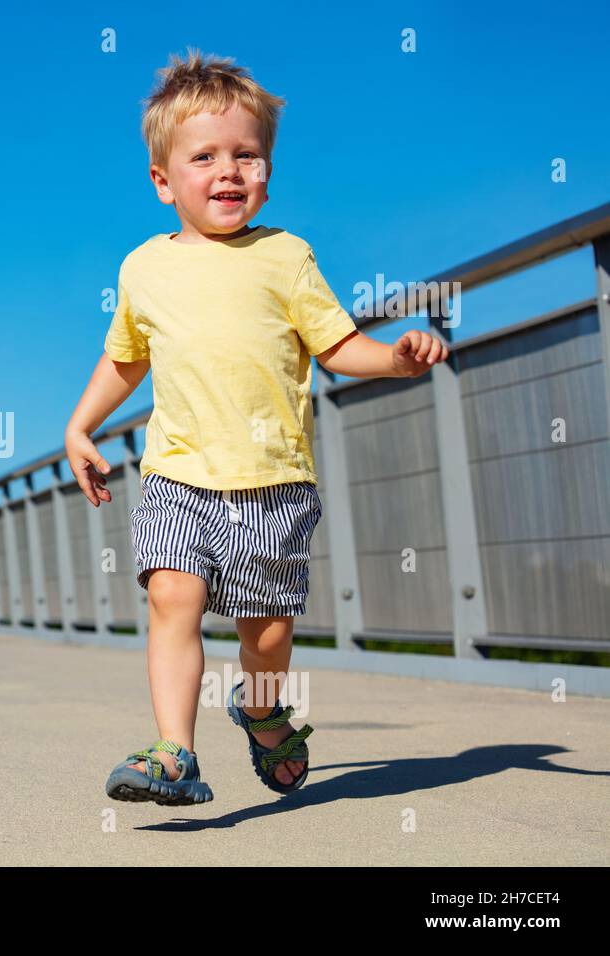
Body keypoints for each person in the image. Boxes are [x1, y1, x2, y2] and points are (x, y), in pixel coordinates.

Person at [63, 47, 449, 805]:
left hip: (273, 485)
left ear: (269, 168)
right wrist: (81, 428)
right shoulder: (143, 267)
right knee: (172, 597)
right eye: (204, 157)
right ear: (164, 181)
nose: (229, 172)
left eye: (248, 155)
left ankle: (262, 708)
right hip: (178, 474)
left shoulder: (286, 256)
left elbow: (337, 348)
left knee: (264, 633)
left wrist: (397, 359)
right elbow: (125, 360)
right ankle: (175, 751)